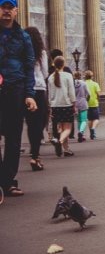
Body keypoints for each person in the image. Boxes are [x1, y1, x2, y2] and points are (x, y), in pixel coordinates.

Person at [0, 0, 38, 197]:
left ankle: (8, 182)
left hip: (15, 90)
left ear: (15, 11)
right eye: (3, 7)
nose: (6, 11)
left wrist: (30, 94)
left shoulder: (24, 37)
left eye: (10, 7)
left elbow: (29, 66)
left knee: (14, 139)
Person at [24, 27, 49, 171]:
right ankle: (35, 156)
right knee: (38, 124)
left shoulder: (21, 52)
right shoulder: (41, 53)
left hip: (24, 90)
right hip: (39, 90)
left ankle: (33, 155)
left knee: (29, 122)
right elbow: (45, 73)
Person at [47, 56, 76, 157]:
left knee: (62, 128)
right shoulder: (68, 75)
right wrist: (74, 103)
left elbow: (50, 94)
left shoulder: (51, 77)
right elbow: (71, 91)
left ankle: (66, 149)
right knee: (68, 129)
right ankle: (59, 141)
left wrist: (50, 106)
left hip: (55, 106)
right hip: (66, 104)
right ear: (63, 64)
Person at [83, 70, 101, 140]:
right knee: (96, 118)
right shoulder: (95, 84)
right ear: (92, 76)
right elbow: (98, 94)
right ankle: (93, 129)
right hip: (94, 103)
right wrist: (98, 99)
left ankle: (91, 133)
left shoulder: (83, 83)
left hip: (86, 103)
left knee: (90, 119)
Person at [72, 71, 89, 143]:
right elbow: (88, 94)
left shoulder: (72, 84)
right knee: (84, 120)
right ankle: (81, 132)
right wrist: (87, 100)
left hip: (75, 103)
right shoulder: (84, 83)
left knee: (78, 120)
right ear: (81, 76)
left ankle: (81, 134)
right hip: (83, 101)